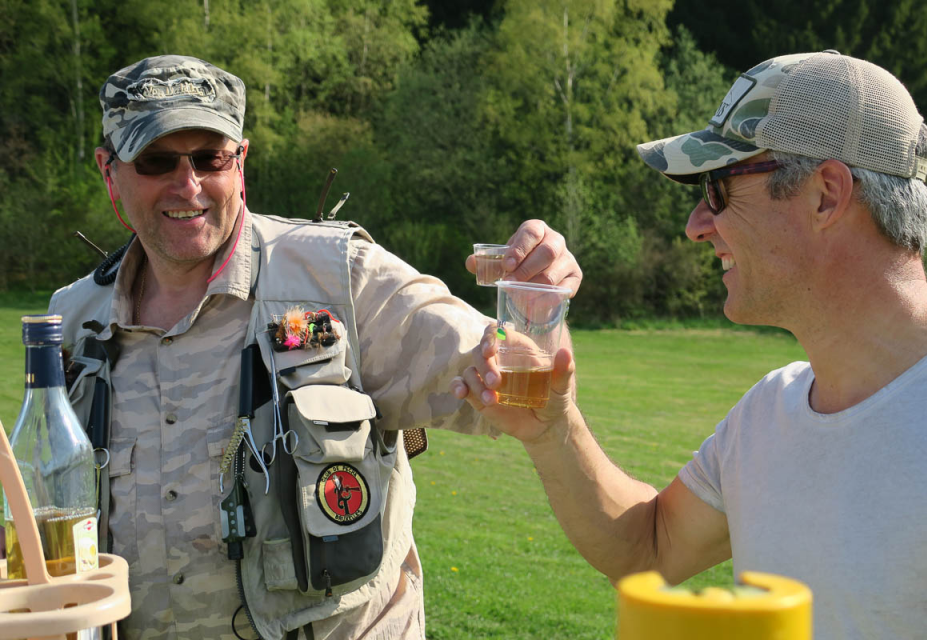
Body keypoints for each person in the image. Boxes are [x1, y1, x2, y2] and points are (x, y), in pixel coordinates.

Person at [49, 55, 581, 640]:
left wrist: (538, 308)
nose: (189, 184)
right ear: (109, 171)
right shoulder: (73, 322)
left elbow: (521, 386)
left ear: (240, 161)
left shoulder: (339, 279)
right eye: (156, 160)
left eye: (209, 158)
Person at [452, 50, 927, 638]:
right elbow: (648, 548)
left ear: (825, 194)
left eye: (718, 188)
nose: (696, 225)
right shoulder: (770, 412)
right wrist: (554, 430)